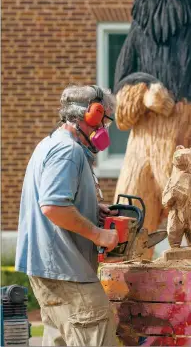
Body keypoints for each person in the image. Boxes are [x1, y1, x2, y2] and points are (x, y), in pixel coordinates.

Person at [15, 85, 120, 346]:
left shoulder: (50, 144)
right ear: (93, 115)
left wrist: (91, 209)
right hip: (67, 269)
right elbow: (53, 206)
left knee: (61, 337)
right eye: (105, 120)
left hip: (49, 267)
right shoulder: (68, 152)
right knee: (95, 325)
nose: (105, 130)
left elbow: (58, 199)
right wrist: (99, 235)